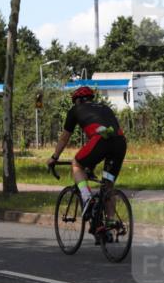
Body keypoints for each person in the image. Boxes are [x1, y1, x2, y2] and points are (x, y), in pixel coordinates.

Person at [47, 87, 127, 224]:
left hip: (101, 139)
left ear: (77, 101)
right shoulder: (105, 107)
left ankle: (86, 196)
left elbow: (64, 138)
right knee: (108, 185)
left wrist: (54, 157)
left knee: (77, 164)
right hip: (120, 142)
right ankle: (110, 222)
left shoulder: (75, 110)